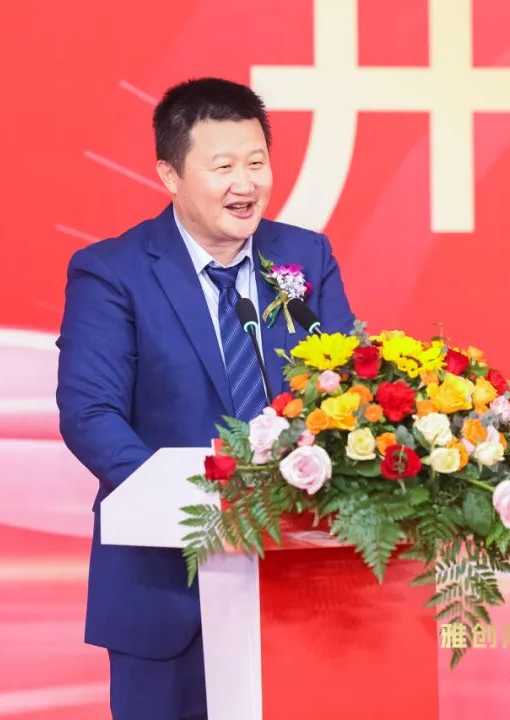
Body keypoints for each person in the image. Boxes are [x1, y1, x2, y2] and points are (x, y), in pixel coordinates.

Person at [56, 77, 355, 720]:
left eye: (256, 162)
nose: (244, 184)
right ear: (170, 174)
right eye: (223, 168)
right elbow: (90, 415)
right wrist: (200, 505)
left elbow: (346, 389)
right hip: (167, 585)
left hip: (302, 581)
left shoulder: (305, 256)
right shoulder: (112, 272)